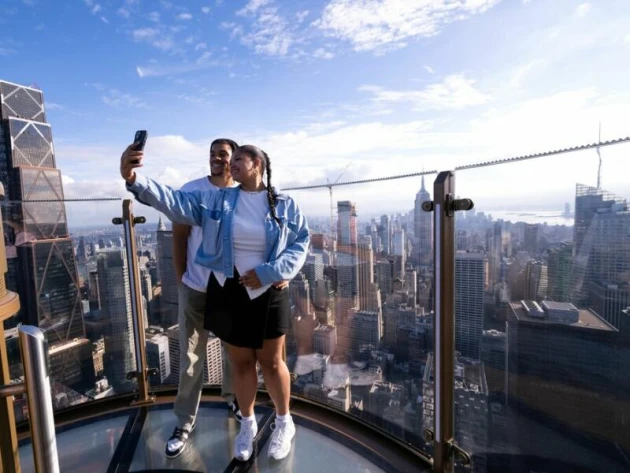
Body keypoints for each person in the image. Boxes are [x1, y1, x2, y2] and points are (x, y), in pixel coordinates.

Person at [120, 143, 309, 463]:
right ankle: (247, 425)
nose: (231, 165)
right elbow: (176, 202)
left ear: (258, 164)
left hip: (268, 291)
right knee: (241, 364)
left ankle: (283, 422)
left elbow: (300, 242)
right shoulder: (219, 200)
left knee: (272, 363)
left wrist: (271, 271)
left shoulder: (284, 203)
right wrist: (135, 178)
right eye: (230, 159)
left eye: (239, 159)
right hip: (229, 289)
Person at [167, 138, 242, 459]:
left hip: (230, 288)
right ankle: (184, 422)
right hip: (196, 287)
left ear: (234, 159)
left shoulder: (244, 193)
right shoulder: (192, 190)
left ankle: (234, 399)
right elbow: (179, 236)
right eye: (212, 154)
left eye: (222, 155)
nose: (215, 159)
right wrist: (183, 279)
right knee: (191, 358)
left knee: (234, 352)